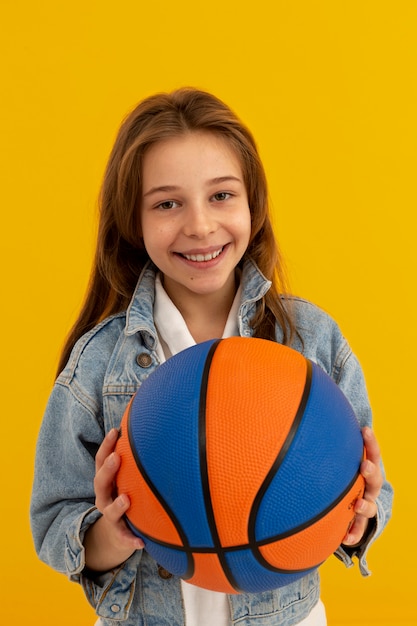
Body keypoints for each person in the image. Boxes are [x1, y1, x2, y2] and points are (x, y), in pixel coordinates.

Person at [30, 88, 393, 626]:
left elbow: (365, 494)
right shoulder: (99, 361)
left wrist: (358, 515)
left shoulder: (311, 339)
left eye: (221, 195)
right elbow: (54, 521)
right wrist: (115, 530)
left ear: (254, 203)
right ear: (134, 220)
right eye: (167, 203)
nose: (199, 226)